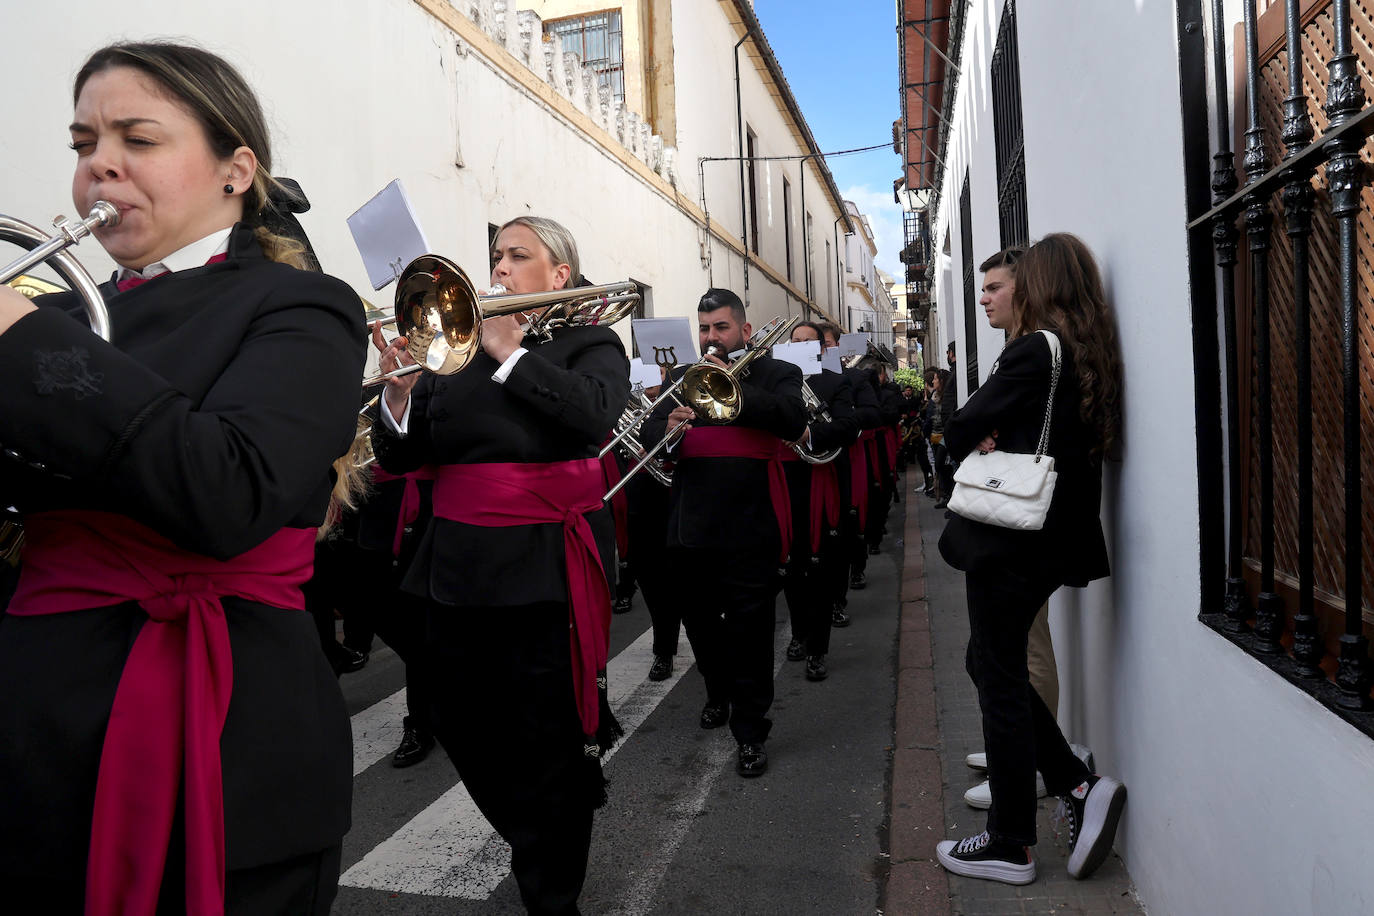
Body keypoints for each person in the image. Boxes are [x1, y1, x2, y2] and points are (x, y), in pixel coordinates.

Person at [0, 42, 365, 913]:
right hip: (35, 737)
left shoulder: (304, 306)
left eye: (139, 138)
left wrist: (22, 340)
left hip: (229, 734)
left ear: (237, 169)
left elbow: (228, 491)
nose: (100, 166)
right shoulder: (56, 316)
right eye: (84, 142)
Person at [371, 215, 628, 915]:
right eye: (495, 256)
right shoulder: (451, 358)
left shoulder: (590, 342)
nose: (501, 268)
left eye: (519, 256)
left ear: (560, 276)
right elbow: (402, 455)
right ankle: (543, 830)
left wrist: (512, 354)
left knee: (545, 738)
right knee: (455, 717)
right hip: (453, 565)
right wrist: (396, 394)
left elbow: (594, 417)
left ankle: (551, 888)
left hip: (540, 567)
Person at [935, 233, 1126, 885]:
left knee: (997, 668)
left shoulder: (1034, 351)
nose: (992, 295)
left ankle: (1011, 840)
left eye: (1008, 283)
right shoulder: (1078, 349)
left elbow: (960, 426)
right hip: (1051, 536)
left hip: (1012, 538)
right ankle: (1074, 785)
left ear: (1039, 283)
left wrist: (977, 427)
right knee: (991, 663)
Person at [641, 289, 806, 777]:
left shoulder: (778, 374)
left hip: (750, 526)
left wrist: (731, 385)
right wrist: (666, 428)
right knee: (701, 625)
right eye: (705, 329)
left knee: (751, 633)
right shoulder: (679, 382)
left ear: (745, 332)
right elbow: (652, 441)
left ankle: (751, 730)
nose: (711, 338)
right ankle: (717, 691)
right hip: (690, 526)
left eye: (721, 328)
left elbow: (794, 420)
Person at [779, 321, 858, 682]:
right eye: (793, 341)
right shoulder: (779, 382)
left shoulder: (836, 382)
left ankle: (818, 650)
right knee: (791, 566)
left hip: (822, 477)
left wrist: (811, 432)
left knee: (821, 566)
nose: (797, 346)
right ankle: (798, 634)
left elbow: (848, 427)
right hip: (786, 480)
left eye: (806, 342)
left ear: (821, 349)